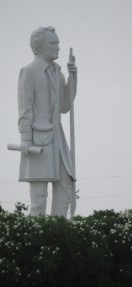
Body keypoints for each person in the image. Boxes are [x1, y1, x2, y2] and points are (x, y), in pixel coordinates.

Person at [18, 26, 77, 218]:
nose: (58, 47)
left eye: (58, 43)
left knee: (66, 184)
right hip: (37, 137)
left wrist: (73, 78)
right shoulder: (28, 72)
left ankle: (58, 232)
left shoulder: (58, 73)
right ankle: (38, 237)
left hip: (57, 137)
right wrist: (26, 139)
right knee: (39, 195)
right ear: (39, 47)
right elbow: (24, 110)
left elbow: (65, 107)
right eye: (53, 43)